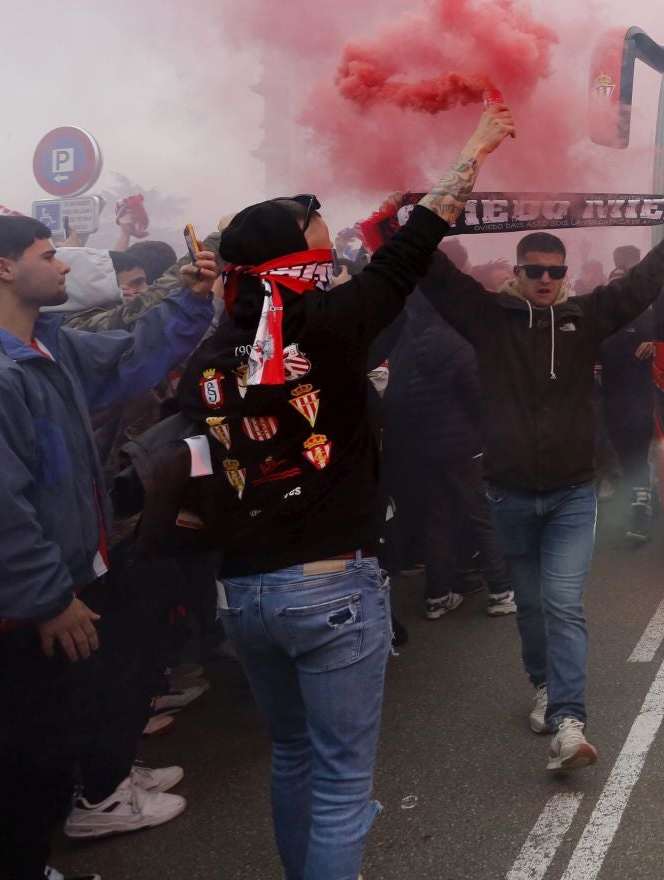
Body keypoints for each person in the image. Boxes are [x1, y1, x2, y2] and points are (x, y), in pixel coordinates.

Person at [180, 101, 512, 880]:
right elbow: (419, 238)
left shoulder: (211, 354)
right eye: (315, 226)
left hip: (245, 595)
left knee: (293, 757)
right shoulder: (328, 325)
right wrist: (477, 146)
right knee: (340, 787)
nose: (326, 231)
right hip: (329, 584)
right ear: (293, 257)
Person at [0, 212, 218, 880]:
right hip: (13, 621)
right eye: (48, 254)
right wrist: (52, 600)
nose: (62, 267)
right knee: (15, 774)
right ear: (3, 269)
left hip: (58, 593)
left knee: (46, 760)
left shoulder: (42, 347)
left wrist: (188, 301)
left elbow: (130, 358)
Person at [417, 216, 664, 771]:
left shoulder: (584, 317)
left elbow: (640, 284)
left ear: (565, 274)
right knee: (531, 607)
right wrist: (411, 224)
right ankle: (543, 685)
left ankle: (570, 723)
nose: (546, 280)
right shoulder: (488, 319)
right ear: (517, 273)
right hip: (509, 494)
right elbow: (436, 278)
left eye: (555, 271)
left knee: (564, 605)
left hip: (572, 493)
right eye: (535, 271)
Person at [381, 294, 515, 620]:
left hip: (426, 448)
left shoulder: (412, 348)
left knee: (436, 521)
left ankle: (437, 597)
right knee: (484, 516)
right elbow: (479, 399)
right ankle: (501, 591)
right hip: (466, 448)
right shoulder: (460, 344)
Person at [599, 246, 661, 544]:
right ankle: (643, 499)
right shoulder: (600, 325)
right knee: (627, 458)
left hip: (642, 399)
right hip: (612, 401)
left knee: (637, 456)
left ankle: (640, 514)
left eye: (619, 286)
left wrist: (656, 345)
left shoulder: (647, 319)